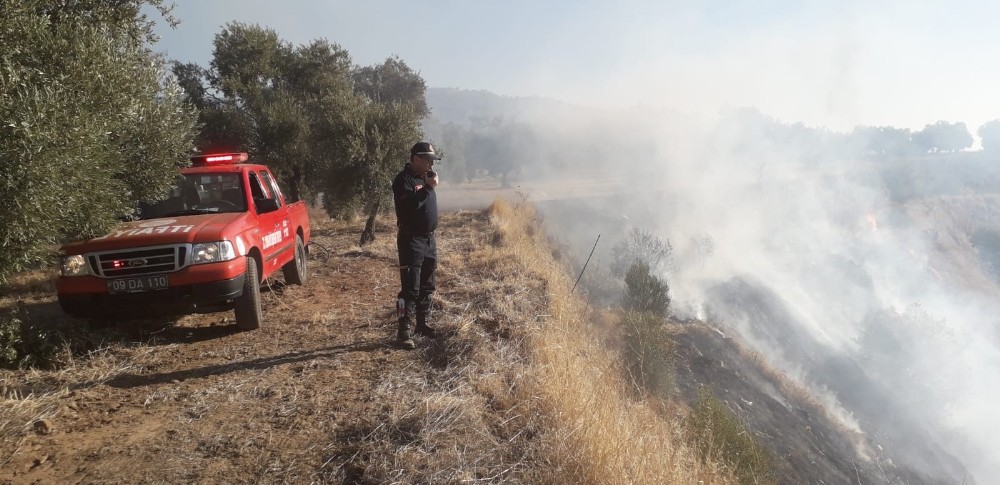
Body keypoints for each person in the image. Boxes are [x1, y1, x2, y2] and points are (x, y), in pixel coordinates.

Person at [391, 141, 442, 349]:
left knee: (427, 284)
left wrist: (428, 185)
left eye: (432, 160)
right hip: (411, 240)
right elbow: (408, 207)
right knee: (410, 287)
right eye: (427, 160)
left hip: (429, 239)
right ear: (416, 159)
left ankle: (422, 324)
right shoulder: (403, 180)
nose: (431, 164)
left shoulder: (425, 178)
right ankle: (403, 332)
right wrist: (428, 188)